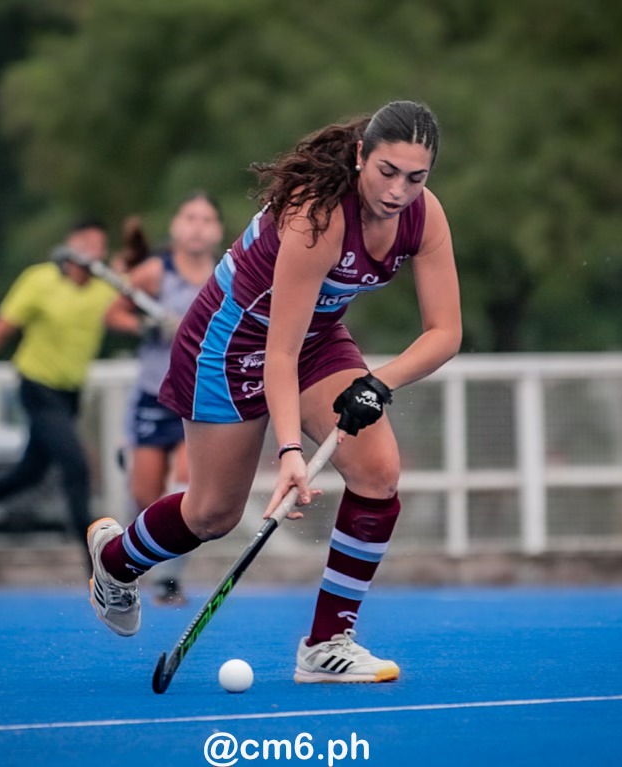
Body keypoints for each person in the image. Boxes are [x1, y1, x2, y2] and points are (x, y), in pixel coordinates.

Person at [86, 100, 461, 684]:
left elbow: (446, 332)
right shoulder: (318, 215)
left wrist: (377, 383)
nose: (398, 191)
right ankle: (115, 561)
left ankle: (326, 643)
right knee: (211, 514)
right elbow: (275, 354)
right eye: (387, 171)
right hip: (229, 341)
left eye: (416, 177)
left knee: (379, 472)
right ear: (362, 154)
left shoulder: (424, 217)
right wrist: (290, 452)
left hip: (314, 338)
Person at [0, 218, 119, 562]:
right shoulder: (39, 280)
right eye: (86, 243)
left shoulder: (105, 289)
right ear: (71, 247)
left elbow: (134, 295)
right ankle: (96, 559)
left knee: (30, 472)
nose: (94, 252)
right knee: (76, 466)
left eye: (100, 245)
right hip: (37, 388)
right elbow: (0, 330)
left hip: (70, 395)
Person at [103, 192, 225, 606]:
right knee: (145, 495)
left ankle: (169, 578)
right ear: (175, 226)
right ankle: (121, 565)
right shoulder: (155, 273)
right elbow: (114, 313)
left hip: (198, 399)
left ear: (218, 231)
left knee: (188, 486)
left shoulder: (227, 274)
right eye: (189, 217)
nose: (197, 226)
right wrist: (149, 328)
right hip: (154, 396)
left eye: (206, 220)